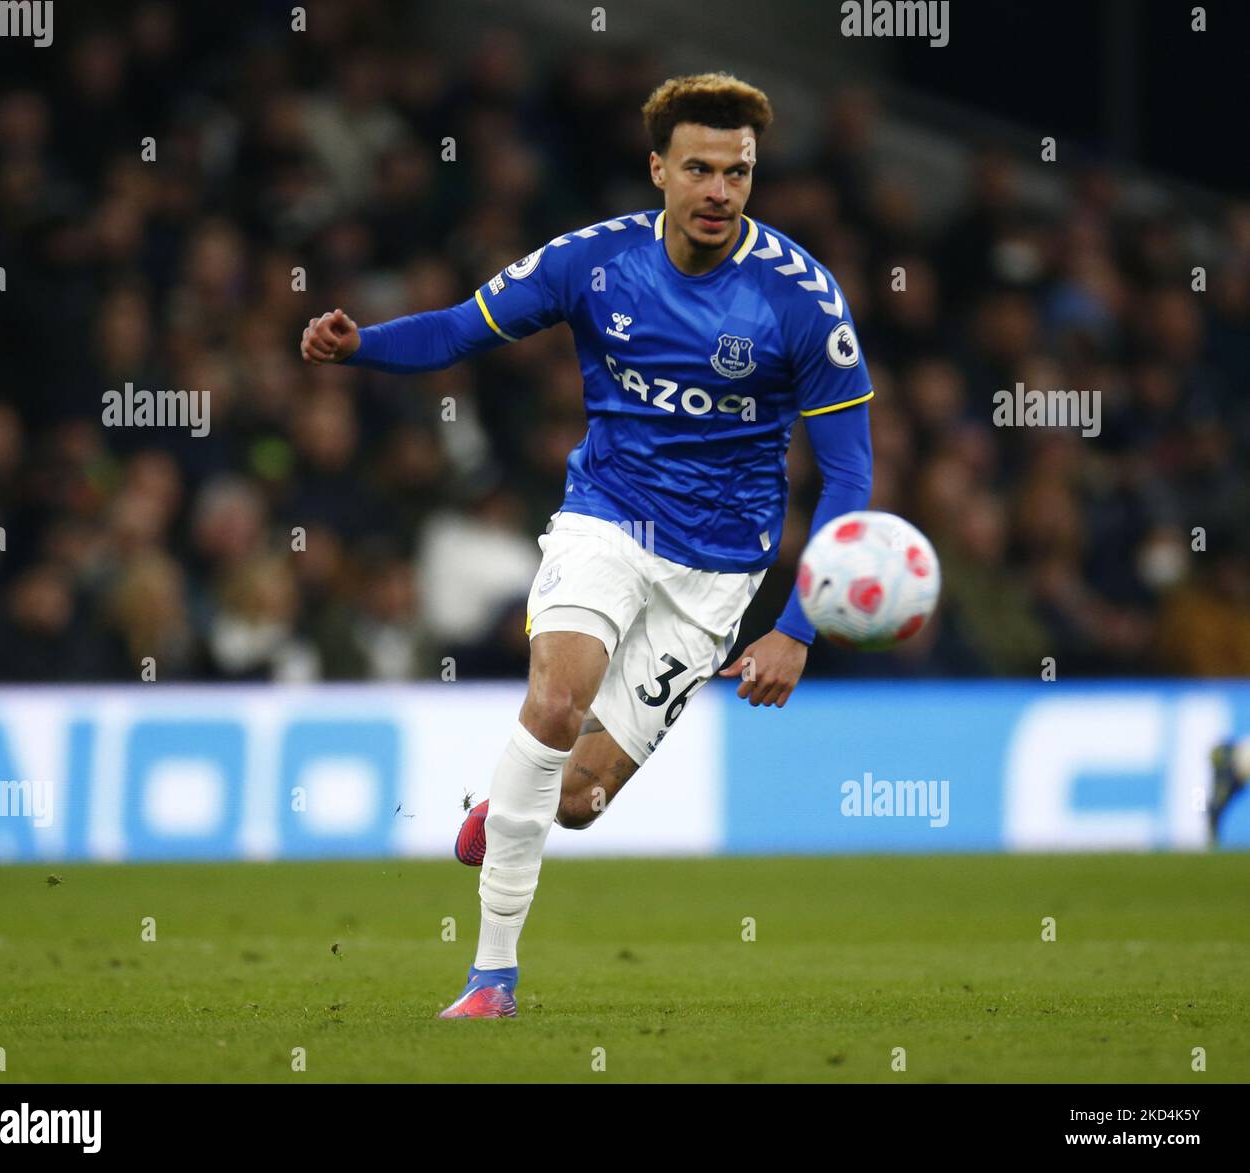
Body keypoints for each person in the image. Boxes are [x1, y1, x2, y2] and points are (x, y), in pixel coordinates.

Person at [301, 73, 874, 1017]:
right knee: (557, 697)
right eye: (700, 168)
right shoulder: (592, 264)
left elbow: (849, 478)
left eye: (739, 172)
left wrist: (798, 626)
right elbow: (457, 331)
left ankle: (506, 805)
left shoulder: (802, 300)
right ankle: (491, 979)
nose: (720, 192)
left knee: (574, 799)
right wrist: (359, 345)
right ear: (659, 169)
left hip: (719, 574)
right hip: (606, 517)